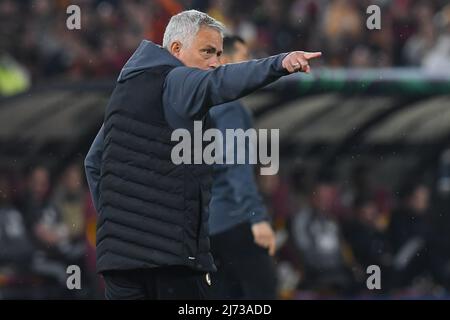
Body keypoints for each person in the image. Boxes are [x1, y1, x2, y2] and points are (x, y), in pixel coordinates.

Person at [84, 9, 321, 300]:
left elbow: (93, 162)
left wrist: (119, 225)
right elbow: (219, 83)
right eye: (208, 52)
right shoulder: (178, 80)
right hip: (169, 257)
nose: (215, 63)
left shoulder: (126, 90)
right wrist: (279, 64)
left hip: (119, 262)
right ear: (175, 49)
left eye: (220, 54)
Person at [207, 35, 277, 299]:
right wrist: (257, 217)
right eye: (244, 57)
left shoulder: (202, 105)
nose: (250, 64)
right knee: (263, 293)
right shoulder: (230, 108)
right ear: (224, 60)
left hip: (207, 228)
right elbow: (236, 165)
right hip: (234, 220)